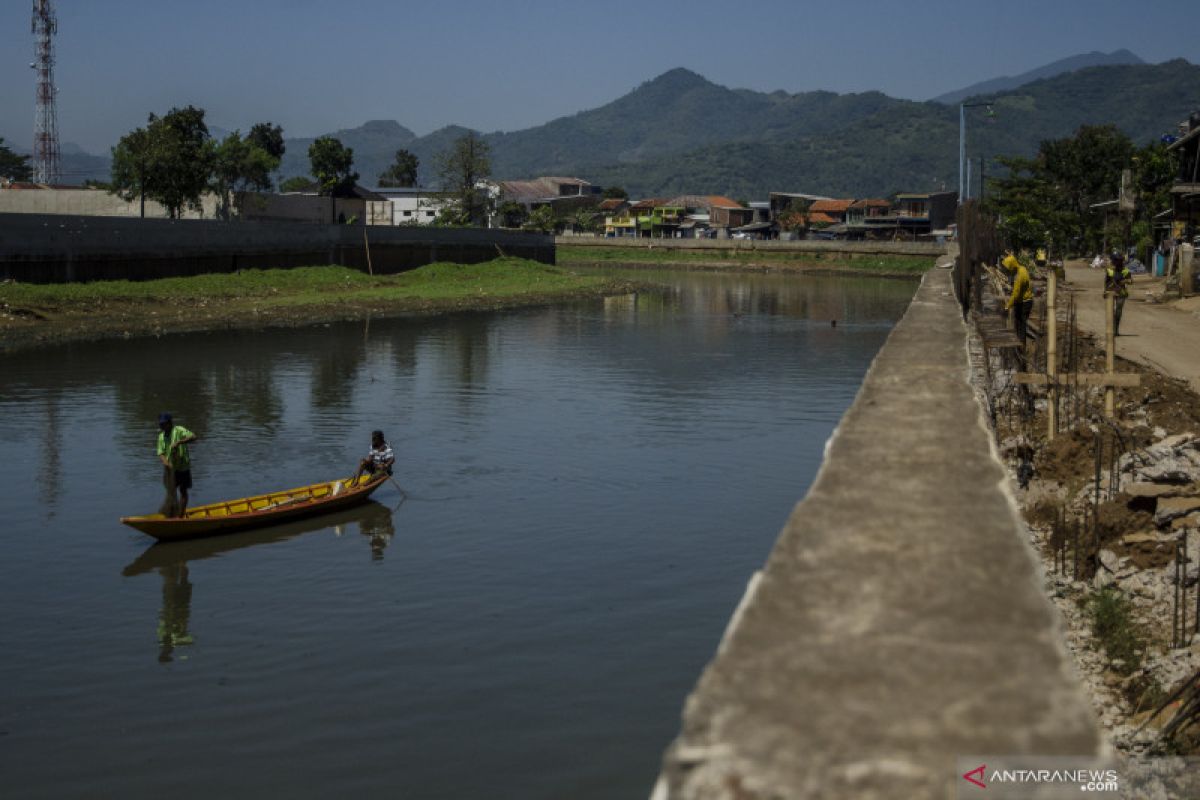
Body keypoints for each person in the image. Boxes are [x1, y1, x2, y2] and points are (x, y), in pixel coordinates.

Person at [156, 413, 197, 517]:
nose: (161, 427)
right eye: (160, 425)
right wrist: (166, 463)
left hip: (183, 467)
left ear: (170, 423)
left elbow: (193, 437)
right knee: (171, 492)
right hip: (171, 469)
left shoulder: (178, 430)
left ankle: (181, 515)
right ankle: (172, 513)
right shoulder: (161, 436)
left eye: (163, 424)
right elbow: (160, 453)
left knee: (183, 491)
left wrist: (180, 442)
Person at [1002, 253, 1034, 345]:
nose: (1008, 271)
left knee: (1020, 325)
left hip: (1023, 303)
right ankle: (1021, 343)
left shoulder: (1018, 277)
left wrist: (1007, 307)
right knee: (1022, 324)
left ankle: (1021, 344)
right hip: (1028, 301)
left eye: (1008, 269)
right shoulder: (1023, 269)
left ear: (1012, 266)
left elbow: (1015, 295)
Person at [1105, 252, 1132, 335]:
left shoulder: (1126, 271)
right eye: (1116, 260)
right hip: (1111, 292)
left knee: (1118, 312)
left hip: (1121, 292)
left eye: (1120, 260)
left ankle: (1116, 330)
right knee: (1111, 312)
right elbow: (1106, 282)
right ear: (1113, 261)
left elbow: (1130, 281)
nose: (1118, 262)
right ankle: (1112, 330)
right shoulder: (1109, 270)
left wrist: (1123, 281)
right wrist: (1105, 291)